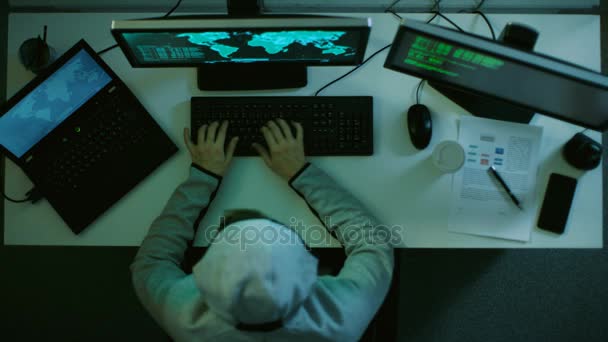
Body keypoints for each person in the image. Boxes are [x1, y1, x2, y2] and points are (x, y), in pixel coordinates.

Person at [131, 119, 394, 341]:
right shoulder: (340, 319)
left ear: (201, 281)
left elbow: (152, 261)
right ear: (309, 274)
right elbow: (373, 243)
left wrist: (203, 175)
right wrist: (301, 172)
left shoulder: (184, 317)